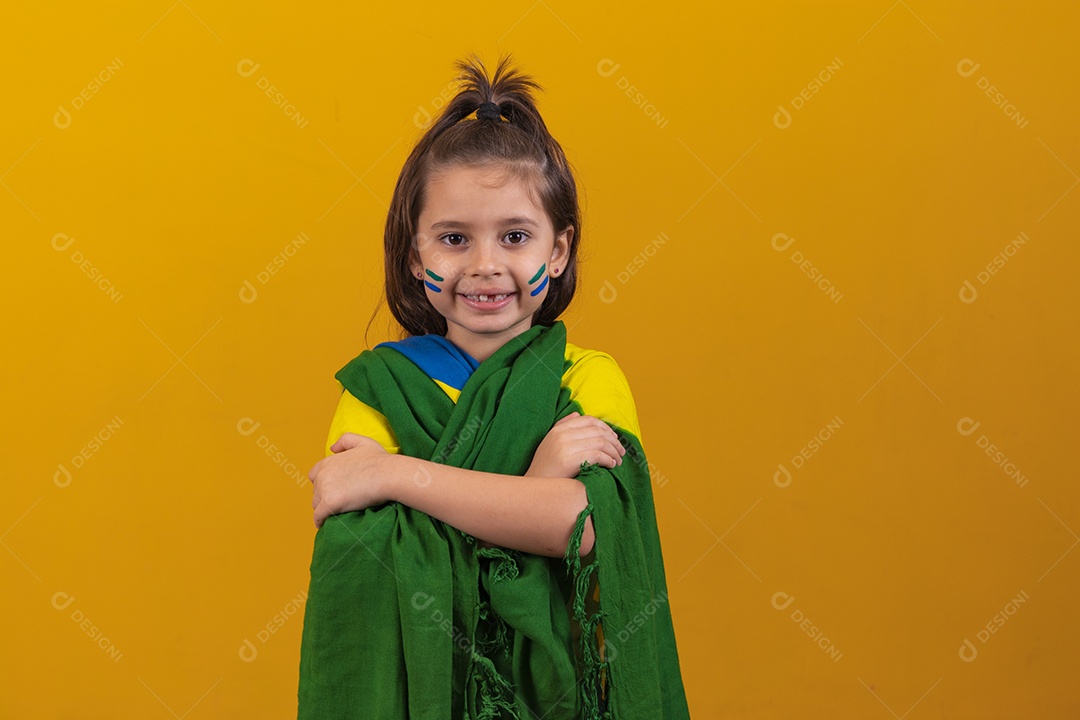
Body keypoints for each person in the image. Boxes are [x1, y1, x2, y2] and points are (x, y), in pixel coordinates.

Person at [297, 54, 690, 720]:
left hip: (567, 695)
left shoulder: (589, 377)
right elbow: (373, 567)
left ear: (558, 252)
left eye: (515, 236)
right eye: (453, 239)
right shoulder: (380, 388)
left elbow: (583, 527)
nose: (485, 267)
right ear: (415, 253)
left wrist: (394, 476)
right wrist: (539, 482)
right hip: (428, 695)